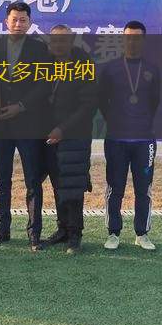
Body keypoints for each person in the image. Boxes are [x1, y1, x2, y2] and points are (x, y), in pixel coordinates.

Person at [0, 1, 51, 251]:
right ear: (6, 21)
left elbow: (44, 84)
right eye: (14, 19)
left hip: (29, 123)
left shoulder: (40, 48)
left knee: (32, 180)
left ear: (30, 23)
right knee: (2, 179)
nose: (18, 24)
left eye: (23, 20)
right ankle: (2, 230)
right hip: (0, 123)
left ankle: (34, 234)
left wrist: (21, 106)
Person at [98, 21, 161, 251]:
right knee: (115, 188)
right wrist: (116, 121)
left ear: (143, 40)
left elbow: (154, 101)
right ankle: (113, 232)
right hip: (116, 139)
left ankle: (141, 233)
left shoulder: (152, 69)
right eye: (128, 37)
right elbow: (102, 101)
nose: (132, 41)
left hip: (144, 141)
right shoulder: (110, 68)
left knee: (144, 189)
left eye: (137, 37)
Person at [42, 25, 97, 254]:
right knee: (57, 183)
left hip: (74, 136)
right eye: (55, 41)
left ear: (72, 40)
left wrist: (62, 130)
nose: (59, 45)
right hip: (50, 136)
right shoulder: (47, 64)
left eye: (63, 40)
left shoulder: (84, 64)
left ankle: (75, 234)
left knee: (73, 185)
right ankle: (62, 229)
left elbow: (88, 106)